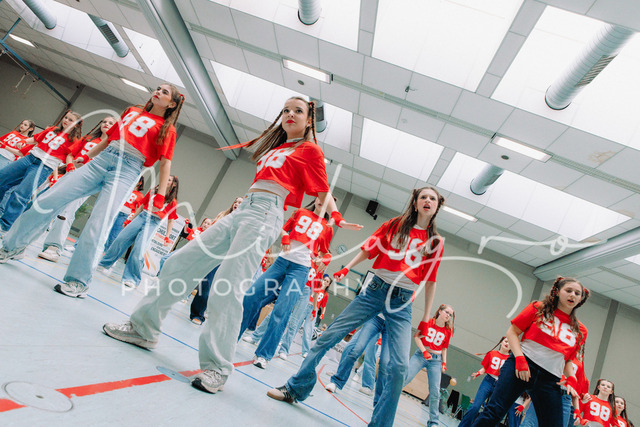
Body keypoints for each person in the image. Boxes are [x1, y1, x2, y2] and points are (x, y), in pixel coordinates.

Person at [102, 96, 361, 395]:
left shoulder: (310, 149)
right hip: (245, 208)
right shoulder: (278, 147)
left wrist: (336, 218)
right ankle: (143, 329)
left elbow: (323, 190)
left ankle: (217, 367)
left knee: (228, 287)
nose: (290, 114)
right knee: (179, 262)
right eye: (286, 109)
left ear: (309, 120)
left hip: (265, 214)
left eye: (298, 111)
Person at [268, 186, 445, 427]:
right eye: (423, 197)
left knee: (399, 366)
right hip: (375, 290)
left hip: (402, 302)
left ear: (437, 206)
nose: (427, 201)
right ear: (415, 203)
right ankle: (295, 388)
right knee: (328, 336)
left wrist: (425, 320)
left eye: (432, 198)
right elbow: (368, 248)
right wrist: (347, 268)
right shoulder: (395, 225)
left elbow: (431, 280)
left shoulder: (436, 242)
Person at [0, 84, 183, 300]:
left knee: (98, 225)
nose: (158, 92)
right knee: (49, 198)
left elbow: (165, 163)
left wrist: (160, 195)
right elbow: (107, 140)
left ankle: (78, 282)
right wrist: (86, 157)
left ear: (172, 104)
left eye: (164, 92)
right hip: (101, 160)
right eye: (158, 88)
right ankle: (11, 247)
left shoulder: (168, 129)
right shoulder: (132, 111)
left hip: (127, 171)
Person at [471, 277, 590, 427]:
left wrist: (571, 377)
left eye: (577, 293)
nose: (572, 295)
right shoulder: (538, 308)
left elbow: (568, 360)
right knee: (494, 412)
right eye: (568, 290)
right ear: (558, 291)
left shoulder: (581, 330)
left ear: (580, 299)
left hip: (549, 378)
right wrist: (520, 359)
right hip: (521, 367)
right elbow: (512, 332)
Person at [239, 197, 334, 369]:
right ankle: (232, 337)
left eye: (327, 201)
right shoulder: (300, 212)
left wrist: (327, 258)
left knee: (281, 312)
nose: (322, 201)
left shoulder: (327, 228)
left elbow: (325, 252)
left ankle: (263, 355)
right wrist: (285, 237)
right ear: (315, 199)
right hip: (281, 263)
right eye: (320, 197)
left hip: (300, 270)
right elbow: (283, 229)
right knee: (251, 296)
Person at [38, 116, 117, 262]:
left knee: (67, 211)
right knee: (48, 204)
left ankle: (54, 248)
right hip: (71, 175)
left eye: (111, 123)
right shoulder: (88, 139)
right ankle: (30, 236)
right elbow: (70, 154)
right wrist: (70, 166)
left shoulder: (112, 147)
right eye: (104, 121)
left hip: (88, 182)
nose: (106, 124)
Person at [0, 110, 82, 231]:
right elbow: (35, 139)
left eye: (71, 120)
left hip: (44, 167)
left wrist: (70, 165)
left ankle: (4, 225)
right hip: (29, 158)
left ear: (76, 125)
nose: (66, 120)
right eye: (66, 117)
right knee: (2, 176)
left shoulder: (74, 140)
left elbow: (70, 155)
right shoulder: (53, 129)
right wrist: (23, 141)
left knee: (21, 194)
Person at [98, 175, 179, 288]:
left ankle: (131, 278)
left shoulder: (172, 201)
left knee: (138, 249)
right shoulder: (153, 191)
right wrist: (130, 220)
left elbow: (171, 220)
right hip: (141, 216)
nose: (166, 180)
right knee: (121, 239)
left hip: (153, 222)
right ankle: (104, 264)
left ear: (174, 184)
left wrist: (167, 236)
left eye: (169, 180)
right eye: (166, 178)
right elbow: (141, 206)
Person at [404, 304, 454, 427]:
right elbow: (417, 338)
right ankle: (385, 401)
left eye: (450, 314)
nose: (448, 315)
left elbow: (444, 348)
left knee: (435, 391)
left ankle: (433, 422)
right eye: (446, 312)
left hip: (436, 361)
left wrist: (444, 362)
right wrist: (424, 352)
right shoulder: (428, 322)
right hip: (421, 355)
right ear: (440, 311)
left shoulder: (448, 331)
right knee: (405, 378)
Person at [325, 314, 384, 396]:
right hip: (371, 321)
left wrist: (381, 336)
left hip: (381, 327)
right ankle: (339, 373)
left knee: (370, 356)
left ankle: (368, 385)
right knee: (349, 348)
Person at [459, 337, 510, 427]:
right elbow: (485, 368)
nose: (507, 344)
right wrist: (478, 373)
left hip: (500, 385)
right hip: (488, 381)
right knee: (475, 407)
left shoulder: (510, 360)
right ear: (501, 342)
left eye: (510, 343)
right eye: (506, 341)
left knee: (492, 412)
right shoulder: (492, 353)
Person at [104, 176, 145, 251]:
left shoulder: (140, 196)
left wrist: (130, 219)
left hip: (124, 215)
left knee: (114, 235)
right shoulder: (125, 188)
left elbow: (138, 209)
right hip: (114, 211)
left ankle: (106, 253)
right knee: (104, 230)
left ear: (140, 182)